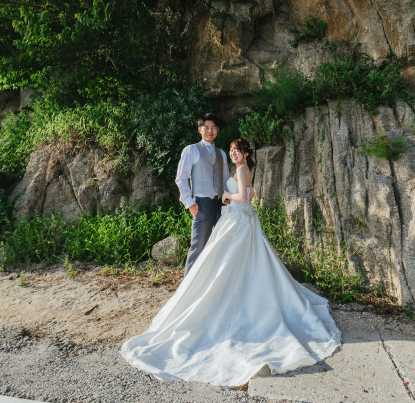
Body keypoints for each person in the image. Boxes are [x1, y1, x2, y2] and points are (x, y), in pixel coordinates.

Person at [121, 138, 341, 387]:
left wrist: (226, 194)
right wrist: (231, 197)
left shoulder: (242, 169)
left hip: (239, 221)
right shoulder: (243, 169)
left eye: (238, 151)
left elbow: (244, 197)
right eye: (232, 151)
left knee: (233, 262)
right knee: (230, 262)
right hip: (236, 219)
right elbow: (249, 192)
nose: (234, 154)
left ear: (246, 153)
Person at [174, 113, 230, 276]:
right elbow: (181, 178)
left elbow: (225, 180)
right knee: (198, 246)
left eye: (214, 128)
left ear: (218, 130)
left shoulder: (222, 154)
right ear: (200, 129)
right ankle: (188, 287)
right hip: (202, 203)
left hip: (220, 203)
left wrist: (228, 200)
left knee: (220, 244)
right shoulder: (191, 150)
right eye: (207, 128)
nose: (210, 131)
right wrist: (190, 203)